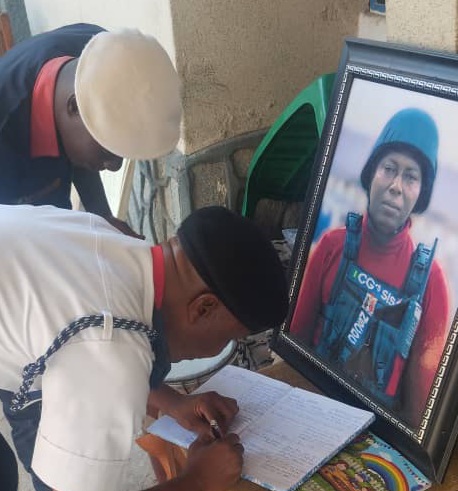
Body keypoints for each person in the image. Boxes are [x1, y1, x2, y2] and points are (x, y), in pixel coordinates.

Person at [0, 203, 288, 491]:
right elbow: (103, 351)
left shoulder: (108, 240)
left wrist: (172, 402)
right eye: (230, 337)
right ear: (204, 307)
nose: (221, 348)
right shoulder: (109, 348)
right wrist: (199, 480)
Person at [290, 108, 449, 427]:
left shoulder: (432, 284)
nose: (396, 186)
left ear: (420, 195)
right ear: (371, 174)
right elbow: (296, 351)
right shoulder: (330, 247)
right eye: (389, 168)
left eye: (411, 176)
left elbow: (421, 416)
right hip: (314, 413)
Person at [0, 23, 182, 237]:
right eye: (107, 150)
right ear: (74, 105)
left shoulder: (104, 55)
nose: (115, 167)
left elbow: (83, 132)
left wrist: (102, 218)